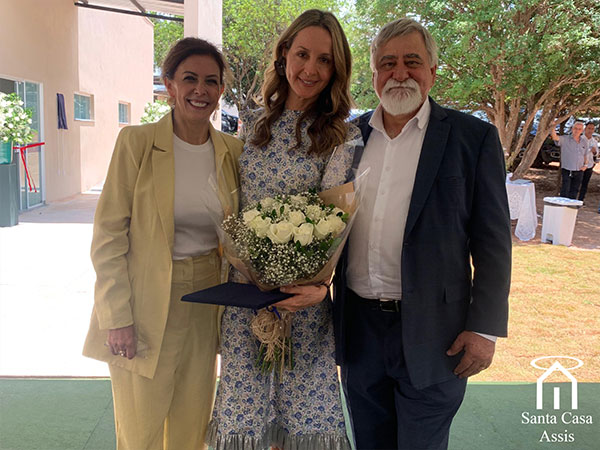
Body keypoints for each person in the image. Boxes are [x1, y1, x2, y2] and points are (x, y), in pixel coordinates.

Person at [332, 18, 512, 449]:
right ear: (373, 74)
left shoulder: (473, 139)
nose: (399, 73)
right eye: (387, 63)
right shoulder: (345, 139)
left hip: (437, 335)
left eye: (412, 61)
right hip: (359, 330)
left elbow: (493, 244)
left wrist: (484, 330)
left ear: (433, 71)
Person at [207, 9, 360, 449]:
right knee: (244, 412)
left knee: (303, 416)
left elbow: (334, 220)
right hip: (244, 300)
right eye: (302, 54)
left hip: (303, 302)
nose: (310, 69)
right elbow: (233, 202)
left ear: (337, 68)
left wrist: (316, 281)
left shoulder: (340, 136)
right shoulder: (251, 123)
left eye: (325, 60)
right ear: (283, 56)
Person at [82, 38, 243, 449]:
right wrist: (116, 315)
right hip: (146, 300)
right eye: (189, 79)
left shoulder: (232, 151)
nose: (200, 90)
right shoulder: (136, 143)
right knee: (142, 429)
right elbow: (108, 237)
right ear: (169, 84)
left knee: (192, 425)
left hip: (208, 298)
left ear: (221, 89)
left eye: (211, 81)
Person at [551, 120, 588, 199]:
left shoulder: (584, 141)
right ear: (572, 129)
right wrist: (553, 127)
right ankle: (562, 207)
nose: (577, 130)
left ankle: (571, 209)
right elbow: (555, 137)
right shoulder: (565, 139)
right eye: (575, 128)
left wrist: (585, 165)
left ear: (582, 131)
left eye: (579, 129)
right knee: (565, 189)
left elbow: (585, 154)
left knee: (575, 190)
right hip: (567, 169)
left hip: (579, 170)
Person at [578, 122, 598, 202]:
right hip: (579, 165)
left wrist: (594, 152)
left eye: (592, 129)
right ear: (585, 129)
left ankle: (581, 199)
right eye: (589, 128)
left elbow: (596, 153)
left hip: (589, 165)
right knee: (576, 182)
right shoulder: (580, 139)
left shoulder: (594, 141)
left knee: (585, 184)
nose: (590, 130)